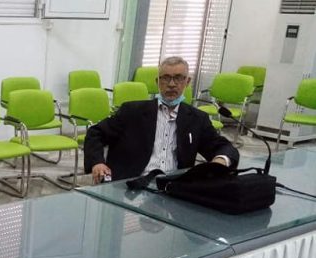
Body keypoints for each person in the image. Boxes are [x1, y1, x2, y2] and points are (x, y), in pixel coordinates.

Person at [84, 56, 239, 184]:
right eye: (166, 78)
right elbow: (95, 133)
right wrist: (97, 162)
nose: (171, 84)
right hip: (131, 185)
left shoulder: (197, 119)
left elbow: (224, 147)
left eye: (178, 78)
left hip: (173, 187)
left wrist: (220, 160)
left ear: (187, 82)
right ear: (157, 82)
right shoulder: (132, 112)